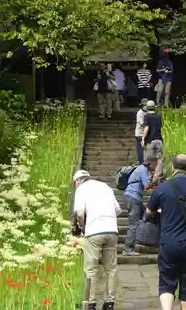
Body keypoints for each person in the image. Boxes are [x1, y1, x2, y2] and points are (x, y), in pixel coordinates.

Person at [145, 155, 186, 310]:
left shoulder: (162, 188)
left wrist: (161, 212)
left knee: (167, 282)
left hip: (169, 242)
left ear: (172, 168)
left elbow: (148, 212)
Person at [73, 170, 122, 310]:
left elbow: (80, 214)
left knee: (91, 269)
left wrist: (82, 227)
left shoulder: (81, 189)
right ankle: (109, 303)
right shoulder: (105, 186)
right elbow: (118, 210)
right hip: (112, 231)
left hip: (93, 232)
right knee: (111, 269)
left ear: (77, 182)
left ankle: (90, 303)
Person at [122, 156, 157, 256]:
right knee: (134, 223)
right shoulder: (143, 169)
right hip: (133, 197)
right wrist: (153, 183)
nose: (155, 167)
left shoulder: (142, 169)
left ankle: (142, 238)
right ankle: (127, 249)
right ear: (150, 164)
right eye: (155, 165)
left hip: (134, 197)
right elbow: (146, 186)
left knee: (145, 216)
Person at [142, 100, 164, 182]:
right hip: (159, 139)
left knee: (148, 159)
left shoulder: (147, 116)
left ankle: (148, 177)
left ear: (147, 108)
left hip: (150, 140)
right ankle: (156, 177)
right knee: (159, 159)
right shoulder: (158, 116)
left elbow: (146, 128)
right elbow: (160, 128)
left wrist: (143, 139)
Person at [134, 98, 148, 165]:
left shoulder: (148, 112)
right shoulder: (140, 113)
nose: (145, 106)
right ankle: (141, 163)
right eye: (144, 105)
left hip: (146, 134)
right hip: (139, 134)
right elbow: (142, 123)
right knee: (140, 151)